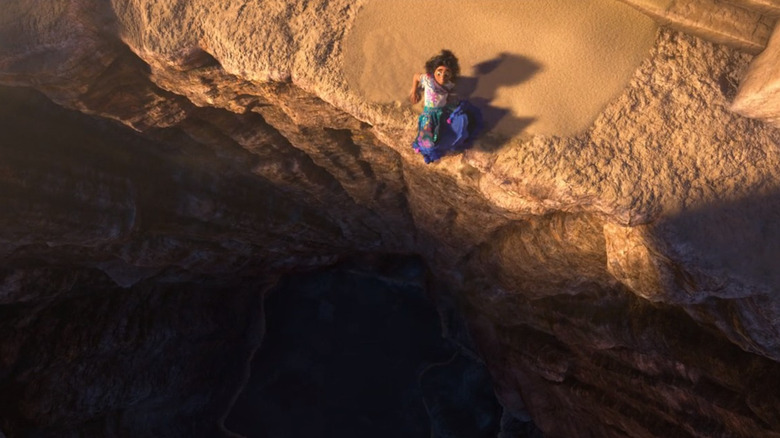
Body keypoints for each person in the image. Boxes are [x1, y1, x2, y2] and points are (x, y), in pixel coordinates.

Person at [410, 50, 481, 164]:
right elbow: (415, 77)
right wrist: (414, 91)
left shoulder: (449, 84)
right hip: (429, 114)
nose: (443, 76)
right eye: (439, 72)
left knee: (459, 122)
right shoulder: (428, 80)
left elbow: (447, 94)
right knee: (428, 141)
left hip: (443, 112)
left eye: (447, 73)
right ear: (434, 71)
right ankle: (428, 153)